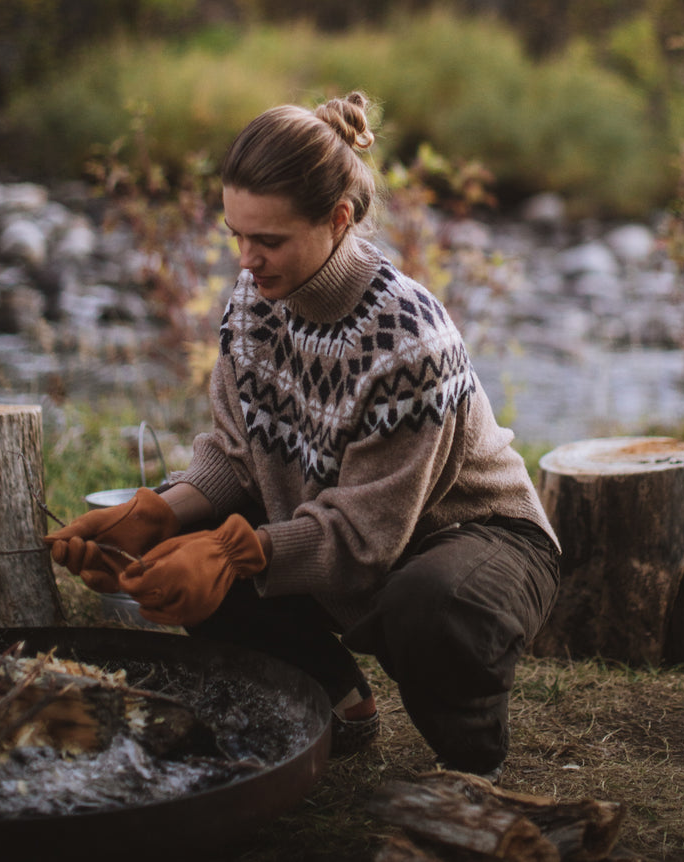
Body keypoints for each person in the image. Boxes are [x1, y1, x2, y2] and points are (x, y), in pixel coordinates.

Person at [46, 92, 561, 779]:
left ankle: (470, 768)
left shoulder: (409, 340)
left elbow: (366, 534)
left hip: (468, 539)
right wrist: (156, 512)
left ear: (338, 219)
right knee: (186, 540)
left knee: (430, 605)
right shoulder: (253, 303)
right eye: (236, 234)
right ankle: (334, 701)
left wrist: (235, 551)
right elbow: (237, 454)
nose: (247, 259)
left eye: (269, 240)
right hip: (337, 528)